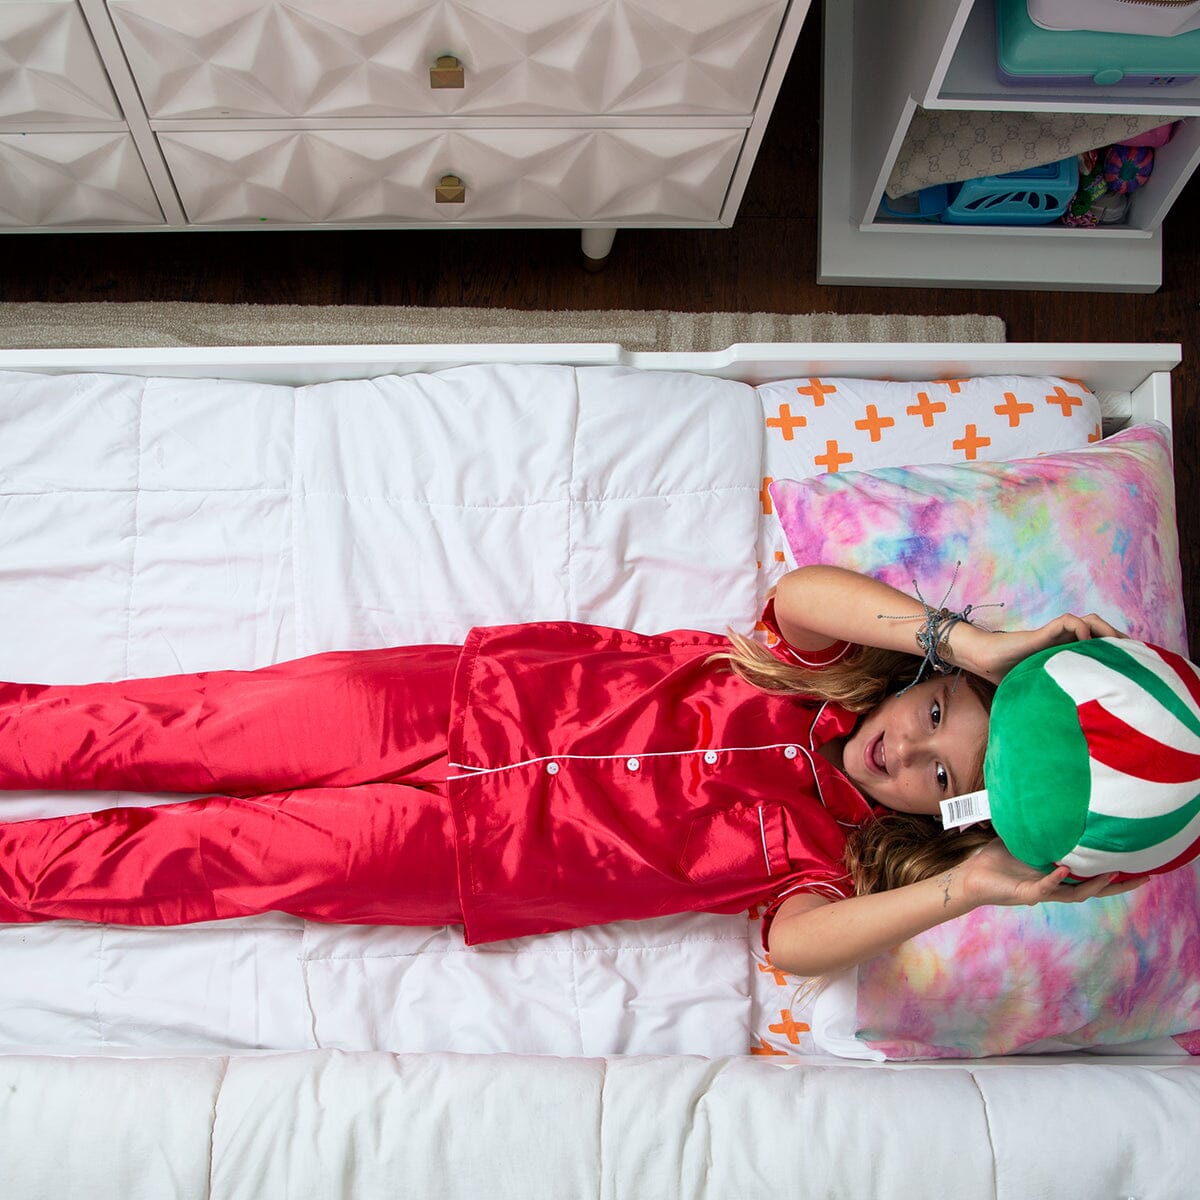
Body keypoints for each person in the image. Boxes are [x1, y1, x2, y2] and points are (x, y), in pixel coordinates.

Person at [0, 565, 1142, 977]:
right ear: (916, 676)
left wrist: (964, 886)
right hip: (454, 700)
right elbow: (801, 592)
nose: (907, 747)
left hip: (466, 856)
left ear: (954, 815)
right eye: (933, 711)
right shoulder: (807, 668)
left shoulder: (830, 861)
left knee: (213, 854)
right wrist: (970, 643)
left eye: (940, 776)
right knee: (191, 725)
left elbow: (794, 951)